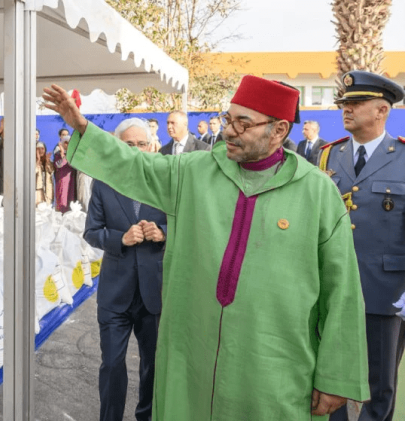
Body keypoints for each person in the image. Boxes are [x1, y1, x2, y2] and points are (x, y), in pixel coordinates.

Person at [43, 77, 370, 420]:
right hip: (194, 358)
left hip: (273, 366)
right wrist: (82, 126)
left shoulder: (316, 192)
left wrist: (335, 376)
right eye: (229, 119)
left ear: (279, 130)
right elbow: (135, 166)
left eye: (244, 123)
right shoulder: (194, 172)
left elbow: (342, 290)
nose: (229, 131)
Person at [320, 71, 405, 421]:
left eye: (356, 103)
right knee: (329, 376)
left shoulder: (401, 156)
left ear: (381, 111)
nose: (346, 109)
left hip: (386, 289)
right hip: (333, 286)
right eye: (344, 103)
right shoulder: (328, 156)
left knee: (380, 384)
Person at [84, 118, 166, 421]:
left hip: (153, 293)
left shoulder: (162, 181)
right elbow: (91, 232)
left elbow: (185, 221)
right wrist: (121, 238)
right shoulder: (104, 183)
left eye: (141, 144)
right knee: (112, 365)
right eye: (128, 144)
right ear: (119, 146)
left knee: (153, 365)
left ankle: (146, 416)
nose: (135, 149)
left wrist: (164, 232)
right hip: (115, 293)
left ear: (151, 146)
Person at [54, 132, 77, 213]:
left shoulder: (73, 154)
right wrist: (62, 154)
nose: (67, 144)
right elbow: (58, 165)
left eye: (69, 142)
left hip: (72, 180)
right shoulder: (58, 154)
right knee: (62, 199)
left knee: (71, 200)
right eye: (66, 142)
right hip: (62, 179)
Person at [35, 141, 54, 206]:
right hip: (38, 190)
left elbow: (51, 171)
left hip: (48, 190)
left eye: (42, 148)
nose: (41, 151)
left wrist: (48, 162)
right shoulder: (32, 161)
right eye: (38, 149)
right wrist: (37, 161)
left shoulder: (48, 161)